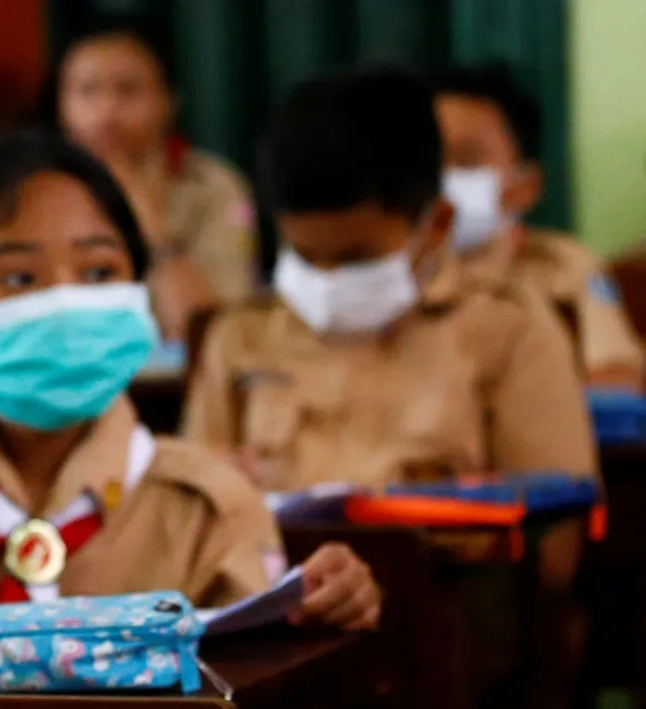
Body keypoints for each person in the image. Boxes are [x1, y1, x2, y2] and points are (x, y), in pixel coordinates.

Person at [0, 131, 379, 629]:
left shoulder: (210, 510)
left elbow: (256, 700)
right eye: (19, 278)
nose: (65, 301)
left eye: (99, 272)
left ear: (137, 298)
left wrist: (321, 612)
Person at [182, 66, 596, 491]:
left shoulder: (507, 333)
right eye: (305, 257)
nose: (327, 280)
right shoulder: (241, 336)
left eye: (357, 258)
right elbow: (190, 509)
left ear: (436, 225)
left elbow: (556, 520)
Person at [434, 64, 645, 390]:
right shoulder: (383, 277)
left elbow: (615, 377)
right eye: (426, 162)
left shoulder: (564, 266)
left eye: (465, 162)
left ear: (525, 187)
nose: (440, 181)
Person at [52, 23, 257, 343]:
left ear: (169, 101)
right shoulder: (37, 190)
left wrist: (152, 226)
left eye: (128, 91)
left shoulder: (215, 186)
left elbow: (211, 334)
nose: (107, 112)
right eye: (88, 91)